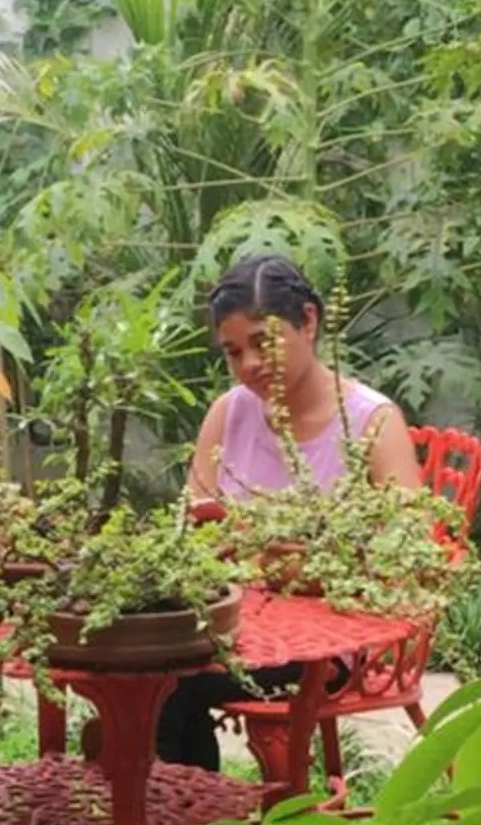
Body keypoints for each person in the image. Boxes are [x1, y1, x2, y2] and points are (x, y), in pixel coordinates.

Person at [157, 254, 422, 772]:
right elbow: (191, 531)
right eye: (234, 352)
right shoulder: (228, 413)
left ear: (309, 321)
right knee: (147, 668)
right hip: (232, 628)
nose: (249, 364)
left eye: (263, 342)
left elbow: (405, 550)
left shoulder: (371, 422)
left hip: (329, 642)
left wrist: (270, 559)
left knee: (170, 681)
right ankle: (190, 822)